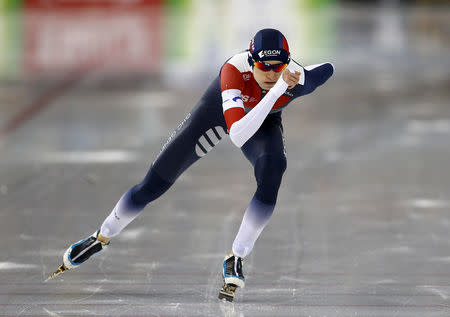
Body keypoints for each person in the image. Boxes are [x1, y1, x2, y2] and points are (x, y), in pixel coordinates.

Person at [48, 28, 334, 302]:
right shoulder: (234, 72)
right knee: (154, 183)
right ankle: (103, 235)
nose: (272, 74)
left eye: (279, 66)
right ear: (251, 61)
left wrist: (299, 76)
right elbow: (237, 134)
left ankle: (236, 257)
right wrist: (276, 93)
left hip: (263, 122)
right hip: (217, 115)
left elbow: (327, 67)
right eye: (264, 66)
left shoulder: (294, 77)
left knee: (273, 170)